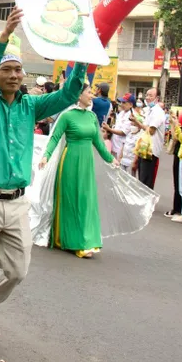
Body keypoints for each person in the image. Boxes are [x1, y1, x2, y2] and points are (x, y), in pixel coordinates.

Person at [0, 8, 86, 362]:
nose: (15, 75)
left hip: (16, 202)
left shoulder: (31, 105)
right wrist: (3, 38)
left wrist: (80, 61)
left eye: (18, 70)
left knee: (17, 270)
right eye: (8, 69)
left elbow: (68, 94)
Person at [38, 85, 115, 258]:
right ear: (79, 95)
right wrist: (46, 156)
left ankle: (86, 239)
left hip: (87, 163)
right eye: (89, 93)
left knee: (86, 200)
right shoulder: (67, 116)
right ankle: (71, 240)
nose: (92, 96)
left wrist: (111, 159)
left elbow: (98, 142)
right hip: (70, 161)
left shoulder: (92, 117)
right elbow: (55, 137)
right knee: (71, 198)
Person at [138, 88, 166, 189]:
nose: (148, 98)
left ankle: (147, 204)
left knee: (146, 182)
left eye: (151, 96)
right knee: (141, 180)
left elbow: (151, 130)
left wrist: (138, 124)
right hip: (144, 148)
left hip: (151, 151)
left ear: (157, 98)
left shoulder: (158, 112)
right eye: (147, 95)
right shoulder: (150, 110)